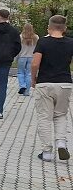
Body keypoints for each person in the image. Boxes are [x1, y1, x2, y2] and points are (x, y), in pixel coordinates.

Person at [31, 15, 73, 162]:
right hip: (65, 83)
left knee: (44, 117)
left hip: (45, 83)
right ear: (65, 28)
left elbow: (35, 63)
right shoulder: (70, 43)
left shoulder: (43, 42)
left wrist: (33, 79)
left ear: (49, 27)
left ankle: (47, 152)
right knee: (61, 115)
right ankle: (61, 142)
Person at [17, 23, 38, 95]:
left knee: (20, 72)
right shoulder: (36, 37)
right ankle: (27, 91)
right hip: (32, 57)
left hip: (22, 57)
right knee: (29, 74)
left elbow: (18, 48)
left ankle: (22, 85)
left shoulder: (20, 37)